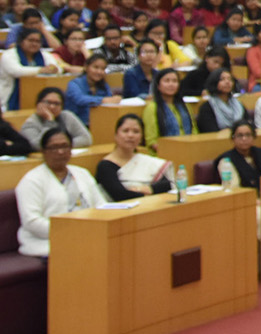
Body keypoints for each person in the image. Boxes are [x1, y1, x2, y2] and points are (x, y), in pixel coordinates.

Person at [15, 126, 108, 256]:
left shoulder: (82, 173)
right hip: (46, 241)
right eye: (54, 147)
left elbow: (101, 207)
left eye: (65, 146)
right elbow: (32, 222)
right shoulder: (31, 180)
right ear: (43, 151)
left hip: (86, 234)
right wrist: (70, 232)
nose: (60, 152)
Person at [95, 113, 171, 200]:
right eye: (125, 131)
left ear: (141, 137)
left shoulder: (146, 161)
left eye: (136, 131)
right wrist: (148, 195)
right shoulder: (105, 166)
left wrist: (149, 189)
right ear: (116, 135)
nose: (130, 135)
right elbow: (120, 195)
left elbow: (167, 184)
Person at [1, 26, 65, 111]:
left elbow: (57, 68)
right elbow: (16, 71)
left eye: (38, 41)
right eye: (31, 40)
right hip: (9, 97)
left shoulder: (44, 55)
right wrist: (41, 70)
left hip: (36, 95)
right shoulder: (9, 54)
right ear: (21, 41)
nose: (34, 44)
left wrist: (54, 69)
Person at [20, 87, 91, 149]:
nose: (52, 107)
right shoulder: (30, 123)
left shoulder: (67, 116)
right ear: (38, 104)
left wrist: (62, 146)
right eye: (48, 102)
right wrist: (49, 121)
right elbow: (37, 146)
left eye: (56, 104)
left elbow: (86, 139)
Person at [213, 120, 261, 192]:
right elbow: (233, 188)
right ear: (233, 138)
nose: (244, 139)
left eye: (248, 135)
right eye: (240, 135)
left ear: (254, 137)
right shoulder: (226, 160)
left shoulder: (259, 152)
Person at [65, 54, 120, 127]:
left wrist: (115, 99)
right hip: (76, 125)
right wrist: (102, 100)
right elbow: (80, 99)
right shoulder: (74, 84)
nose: (99, 72)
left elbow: (109, 99)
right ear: (86, 67)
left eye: (103, 69)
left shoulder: (103, 85)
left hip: (98, 123)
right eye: (96, 67)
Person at [143, 68, 194, 143]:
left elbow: (194, 131)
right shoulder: (152, 108)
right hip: (164, 151)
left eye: (175, 81)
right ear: (158, 86)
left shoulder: (185, 106)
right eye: (167, 81)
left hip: (188, 147)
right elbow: (152, 141)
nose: (171, 84)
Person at [196, 67, 247, 134]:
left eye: (230, 79)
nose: (227, 82)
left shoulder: (238, 104)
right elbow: (210, 131)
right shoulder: (207, 107)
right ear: (214, 82)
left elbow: (248, 124)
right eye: (222, 79)